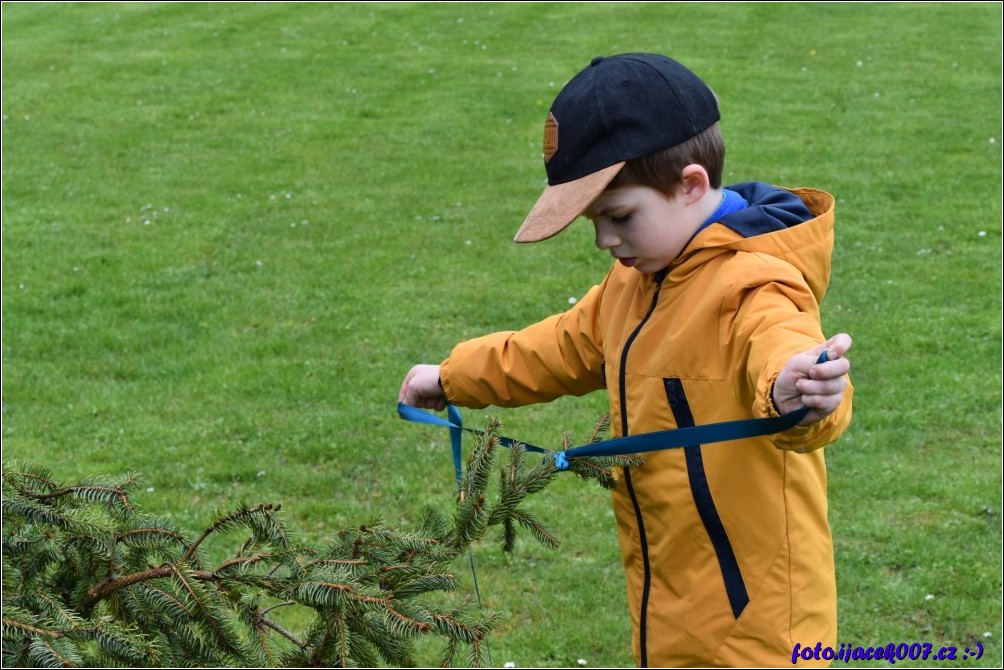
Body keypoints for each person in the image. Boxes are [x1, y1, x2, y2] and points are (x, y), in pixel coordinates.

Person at [398, 52, 853, 667]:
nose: (604, 240)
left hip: (760, 620)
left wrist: (796, 388)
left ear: (691, 185)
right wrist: (453, 377)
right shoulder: (634, 284)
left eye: (619, 217)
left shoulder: (757, 285)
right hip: (668, 594)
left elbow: (782, 343)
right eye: (595, 221)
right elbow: (557, 348)